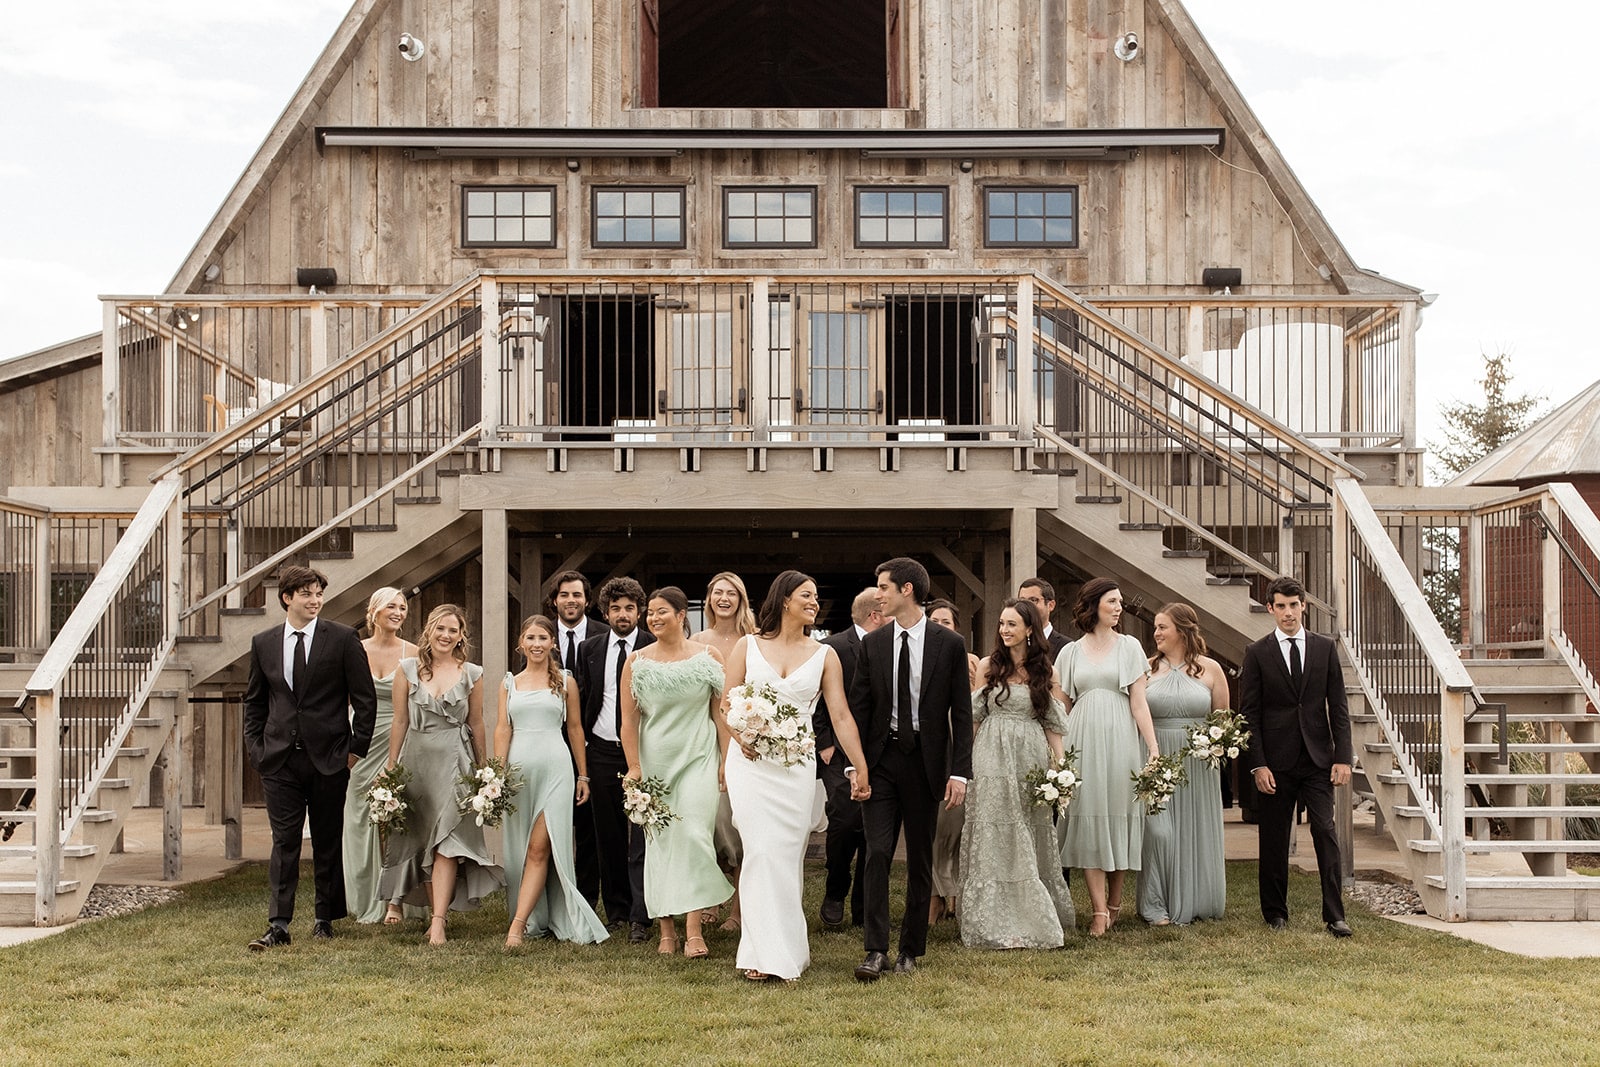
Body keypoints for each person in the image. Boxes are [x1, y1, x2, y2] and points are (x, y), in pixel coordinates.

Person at [722, 571, 872, 982]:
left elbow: (840, 715)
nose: (814, 602)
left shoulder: (826, 655)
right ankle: (758, 952)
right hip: (750, 764)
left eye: (816, 596)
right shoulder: (747, 645)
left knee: (786, 856)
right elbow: (725, 704)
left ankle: (788, 951)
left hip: (796, 766)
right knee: (760, 852)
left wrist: (859, 765)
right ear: (784, 599)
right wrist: (742, 734)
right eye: (806, 595)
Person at [848, 557, 973, 980]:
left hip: (926, 762)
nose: (877, 594)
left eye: (884, 587)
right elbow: (860, 710)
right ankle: (875, 950)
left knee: (919, 858)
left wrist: (960, 773)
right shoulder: (874, 644)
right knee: (878, 852)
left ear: (906, 590)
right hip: (881, 762)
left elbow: (962, 712)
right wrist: (856, 767)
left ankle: (909, 951)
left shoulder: (950, 645)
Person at [243, 565, 377, 950]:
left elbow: (365, 700)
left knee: (326, 839)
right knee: (284, 840)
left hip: (330, 757)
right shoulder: (263, 642)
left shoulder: (342, 638)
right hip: (279, 759)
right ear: (287, 598)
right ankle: (279, 924)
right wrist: (257, 748)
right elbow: (254, 702)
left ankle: (324, 917)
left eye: (318, 593)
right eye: (306, 594)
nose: (315, 600)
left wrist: (354, 752)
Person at [379, 604, 503, 945]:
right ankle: (399, 901)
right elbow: (400, 721)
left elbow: (477, 723)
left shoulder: (472, 673)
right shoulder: (406, 669)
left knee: (447, 840)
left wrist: (483, 770)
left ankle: (438, 922)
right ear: (429, 631)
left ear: (462, 635)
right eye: (441, 629)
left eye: (454, 630)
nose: (446, 635)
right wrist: (391, 769)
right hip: (417, 759)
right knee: (419, 836)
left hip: (455, 760)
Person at [621, 587, 732, 959]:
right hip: (655, 766)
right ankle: (666, 929)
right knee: (661, 845)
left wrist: (725, 760)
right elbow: (629, 721)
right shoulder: (636, 662)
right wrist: (635, 767)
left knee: (694, 834)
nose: (653, 618)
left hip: (699, 758)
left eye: (661, 611)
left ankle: (694, 928)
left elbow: (720, 714)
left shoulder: (708, 656)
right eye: (649, 613)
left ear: (682, 615)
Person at [1241, 576, 1353, 937]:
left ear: (1303, 605)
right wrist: (1258, 763)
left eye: (1294, 605)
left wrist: (1343, 757)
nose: (1288, 612)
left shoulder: (1324, 648)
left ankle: (1335, 915)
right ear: (1270, 608)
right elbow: (1250, 714)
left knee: (1325, 830)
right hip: (1275, 762)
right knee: (1273, 838)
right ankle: (1275, 913)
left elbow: (1338, 705)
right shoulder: (1257, 653)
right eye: (1281, 606)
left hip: (1318, 759)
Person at [960, 598, 1074, 949]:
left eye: (1012, 624)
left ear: (1029, 629)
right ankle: (992, 920)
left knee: (1028, 828)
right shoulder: (987, 667)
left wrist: (1062, 769)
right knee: (995, 828)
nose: (1005, 630)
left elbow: (1053, 725)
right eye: (1002, 624)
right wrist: (964, 766)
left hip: (1030, 757)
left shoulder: (1046, 672)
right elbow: (975, 719)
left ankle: (1032, 915)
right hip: (991, 755)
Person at [1055, 577, 1160, 938]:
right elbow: (1063, 706)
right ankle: (1099, 910)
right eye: (1112, 601)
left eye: (1119, 602)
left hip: (1120, 739)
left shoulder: (1130, 646)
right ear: (1093, 605)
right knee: (1087, 817)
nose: (1118, 608)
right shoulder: (1069, 653)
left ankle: (1115, 903)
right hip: (1081, 738)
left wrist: (1153, 746)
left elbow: (1138, 701)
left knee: (1118, 815)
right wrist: (1056, 752)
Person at [495, 614, 609, 946]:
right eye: (530, 638)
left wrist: (583, 774)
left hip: (556, 770)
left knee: (539, 847)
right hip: (518, 773)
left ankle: (517, 925)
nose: (536, 644)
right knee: (519, 850)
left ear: (552, 643)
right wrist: (496, 774)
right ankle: (534, 917)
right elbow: (503, 729)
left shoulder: (566, 681)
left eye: (542, 638)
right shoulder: (509, 683)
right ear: (521, 643)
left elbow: (575, 729)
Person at [1137, 603, 1231, 926]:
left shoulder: (1211, 670)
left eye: (1162, 627)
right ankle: (1154, 903)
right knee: (1158, 832)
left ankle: (1198, 898)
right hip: (1157, 756)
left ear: (1182, 630)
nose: (1156, 633)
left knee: (1195, 827)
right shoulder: (1146, 668)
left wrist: (1215, 745)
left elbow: (1222, 720)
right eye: (1156, 627)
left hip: (1197, 764)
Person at [574, 577, 656, 943]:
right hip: (603, 749)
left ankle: (642, 914)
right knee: (607, 836)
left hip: (643, 750)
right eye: (616, 608)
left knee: (642, 834)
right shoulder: (590, 648)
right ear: (605, 612)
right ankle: (618, 911)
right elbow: (587, 698)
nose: (623, 615)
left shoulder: (653, 648)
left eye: (629, 608)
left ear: (639, 611)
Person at [343, 586, 418, 925]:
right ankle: (362, 897)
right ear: (373, 611)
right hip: (361, 739)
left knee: (396, 818)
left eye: (402, 607)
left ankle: (395, 900)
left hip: (399, 737)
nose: (398, 611)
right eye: (391, 606)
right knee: (360, 816)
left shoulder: (414, 653)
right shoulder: (354, 650)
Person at [690, 571, 757, 933]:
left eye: (731, 593)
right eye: (718, 592)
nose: (724, 599)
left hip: (747, 738)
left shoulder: (754, 640)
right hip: (705, 740)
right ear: (710, 598)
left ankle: (738, 909)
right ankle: (710, 899)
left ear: (741, 599)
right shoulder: (698, 641)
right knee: (710, 824)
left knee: (741, 824)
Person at [818, 586, 881, 930]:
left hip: (880, 750)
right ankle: (836, 888)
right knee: (844, 821)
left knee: (874, 828)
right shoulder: (833, 647)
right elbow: (813, 699)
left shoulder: (890, 645)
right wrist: (825, 742)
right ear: (875, 615)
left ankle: (863, 907)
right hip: (838, 752)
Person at [549, 569, 601, 904]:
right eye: (565, 595)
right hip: (548, 741)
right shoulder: (538, 635)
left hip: (593, 744)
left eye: (577, 595)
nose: (571, 601)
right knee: (550, 824)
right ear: (555, 600)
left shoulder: (604, 634)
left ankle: (585, 898)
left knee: (588, 827)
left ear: (587, 600)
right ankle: (551, 895)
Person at [926, 598, 977, 926]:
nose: (940, 626)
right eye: (935, 620)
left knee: (957, 830)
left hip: (960, 742)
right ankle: (934, 898)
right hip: (931, 748)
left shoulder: (969, 660)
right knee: (933, 832)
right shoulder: (917, 656)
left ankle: (955, 896)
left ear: (956, 628)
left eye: (946, 622)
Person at [1019, 577, 1070, 659]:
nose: (1027, 606)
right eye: (1022, 601)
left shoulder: (1067, 647)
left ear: (1051, 605)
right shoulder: (1012, 643)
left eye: (1033, 600)